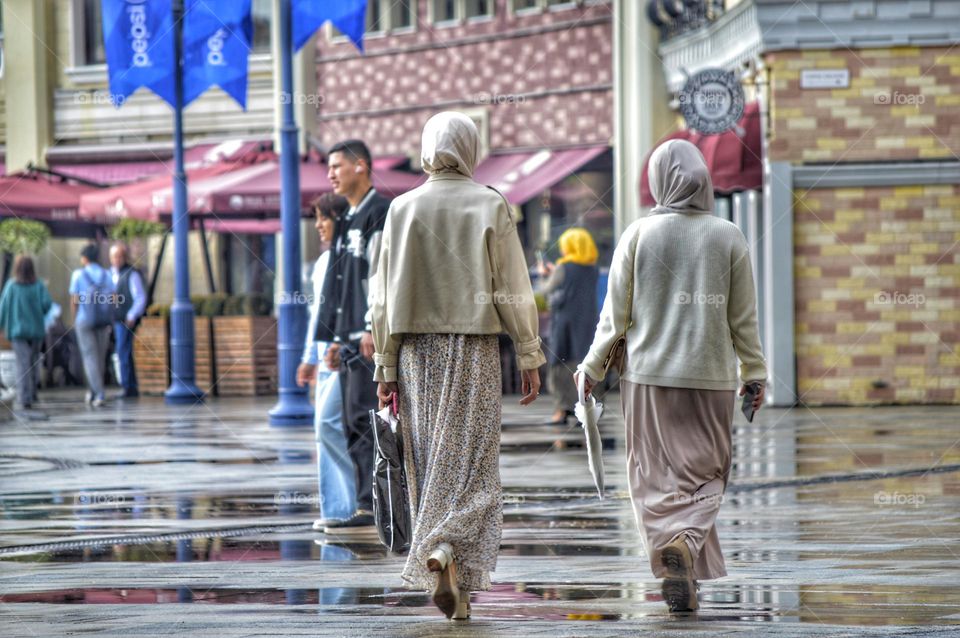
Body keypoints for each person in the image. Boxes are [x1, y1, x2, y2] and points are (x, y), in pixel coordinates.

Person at [575, 139, 767, 613]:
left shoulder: (638, 234)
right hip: (711, 379)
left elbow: (613, 318)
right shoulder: (728, 235)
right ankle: (685, 549)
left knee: (653, 477)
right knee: (708, 474)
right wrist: (755, 374)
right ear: (702, 178)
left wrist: (591, 368)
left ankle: (674, 547)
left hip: (648, 379)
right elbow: (743, 319)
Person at [371, 112, 545, 620]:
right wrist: (529, 351)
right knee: (474, 468)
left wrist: (384, 366)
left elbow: (381, 298)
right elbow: (512, 284)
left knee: (430, 465)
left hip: (415, 354)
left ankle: (456, 591)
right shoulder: (489, 204)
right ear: (470, 148)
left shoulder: (401, 209)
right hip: (474, 350)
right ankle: (445, 550)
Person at [314, 139, 391, 533]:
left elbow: (380, 275)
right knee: (349, 421)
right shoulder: (347, 218)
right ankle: (363, 505)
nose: (331, 174)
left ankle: (372, 507)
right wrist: (332, 336)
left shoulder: (381, 211)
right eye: (329, 168)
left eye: (337, 166)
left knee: (365, 418)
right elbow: (339, 280)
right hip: (349, 336)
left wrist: (368, 327)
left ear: (361, 166)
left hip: (369, 336)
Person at [296, 193, 358, 531]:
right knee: (326, 431)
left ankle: (352, 506)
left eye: (325, 218)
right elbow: (316, 316)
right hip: (326, 358)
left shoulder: (350, 258)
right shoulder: (322, 263)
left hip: (344, 354)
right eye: (316, 218)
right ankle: (337, 508)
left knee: (329, 425)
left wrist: (334, 344)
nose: (319, 225)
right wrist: (309, 358)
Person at [539, 228, 600, 425]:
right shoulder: (593, 268)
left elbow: (545, 290)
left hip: (565, 321)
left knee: (559, 364)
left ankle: (562, 410)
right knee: (587, 363)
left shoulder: (563, 267)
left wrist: (544, 275)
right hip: (588, 321)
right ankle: (589, 408)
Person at [0, 256, 53, 410]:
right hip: (36, 331)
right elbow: (47, 304)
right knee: (33, 362)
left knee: (23, 364)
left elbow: (2, 308)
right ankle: (32, 393)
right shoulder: (38, 285)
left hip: (18, 332)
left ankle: (24, 397)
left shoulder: (11, 286)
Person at [69, 244, 115, 408]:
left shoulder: (78, 274)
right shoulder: (106, 274)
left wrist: (74, 319)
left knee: (89, 357)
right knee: (100, 357)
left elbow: (74, 300)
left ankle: (99, 393)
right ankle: (94, 391)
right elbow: (114, 298)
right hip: (103, 322)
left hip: (84, 320)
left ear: (85, 258)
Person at [109, 243, 147, 399]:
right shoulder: (111, 274)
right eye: (114, 257)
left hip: (126, 319)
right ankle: (130, 385)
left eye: (120, 256)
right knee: (124, 352)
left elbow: (140, 297)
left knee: (122, 351)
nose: (117, 260)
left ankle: (127, 385)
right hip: (116, 318)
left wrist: (132, 315)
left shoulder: (131, 274)